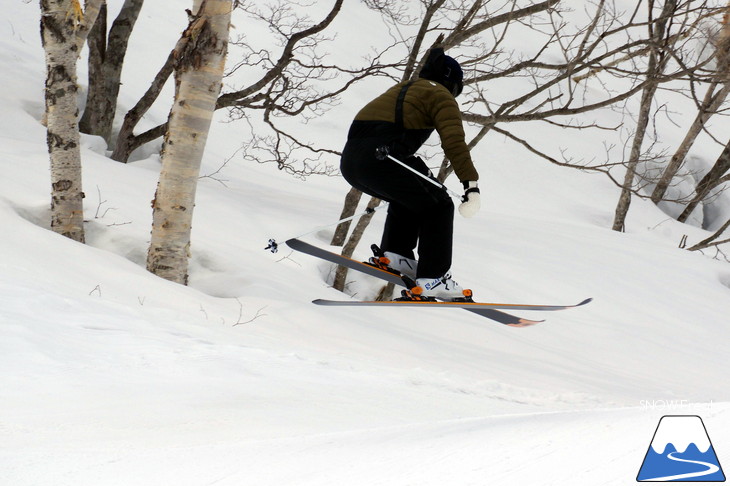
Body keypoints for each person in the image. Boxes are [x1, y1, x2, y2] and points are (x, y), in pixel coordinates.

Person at [340, 48, 480, 301]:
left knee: (412, 197)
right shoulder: (439, 94)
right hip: (383, 159)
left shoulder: (401, 89)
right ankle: (434, 278)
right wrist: (471, 185)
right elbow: (454, 141)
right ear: (450, 82)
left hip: (352, 164)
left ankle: (396, 255)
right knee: (439, 205)